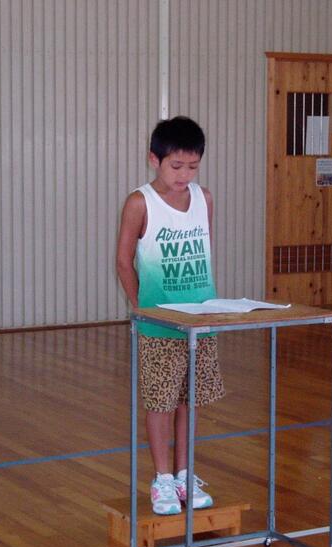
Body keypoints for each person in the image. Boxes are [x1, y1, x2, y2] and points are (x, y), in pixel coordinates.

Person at [116, 116, 225, 515]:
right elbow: (124, 261)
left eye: (192, 166)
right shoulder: (139, 202)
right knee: (160, 402)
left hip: (200, 321)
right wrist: (140, 309)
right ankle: (162, 478)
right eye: (176, 166)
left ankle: (184, 473)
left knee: (188, 402)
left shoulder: (204, 198)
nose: (184, 175)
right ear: (154, 160)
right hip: (160, 325)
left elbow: (205, 248)